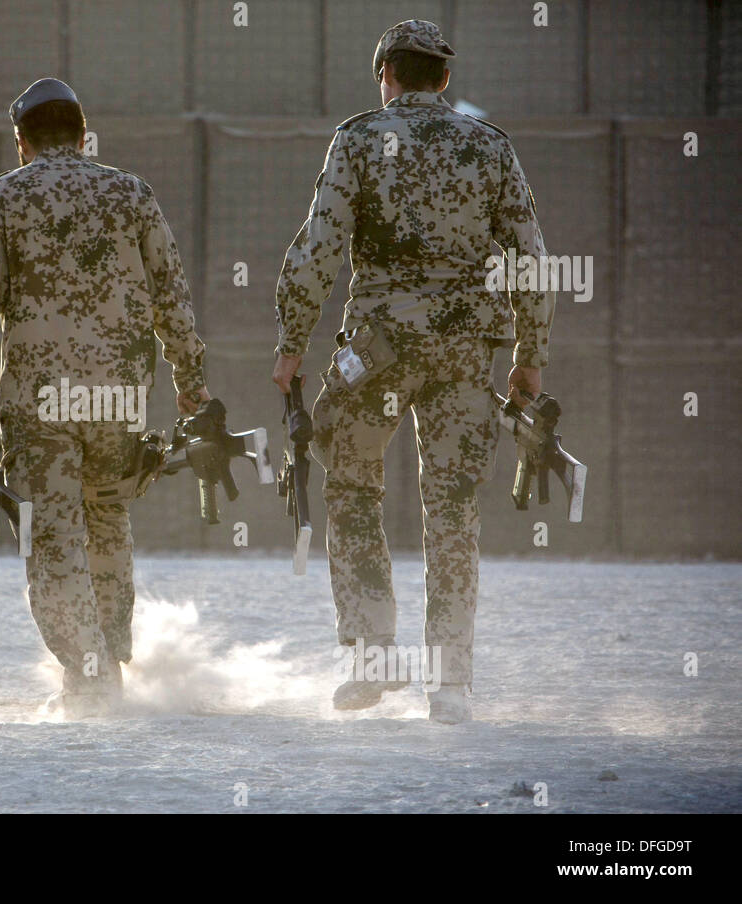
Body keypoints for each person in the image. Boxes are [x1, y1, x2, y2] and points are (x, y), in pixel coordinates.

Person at [270, 21, 554, 724]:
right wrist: (530, 356)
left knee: (353, 489)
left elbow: (318, 248)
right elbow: (531, 257)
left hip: (378, 351)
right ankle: (450, 683)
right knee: (454, 510)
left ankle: (372, 659)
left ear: (385, 76)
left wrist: (291, 343)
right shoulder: (489, 147)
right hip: (464, 355)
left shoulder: (360, 138)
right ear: (445, 79)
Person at [0, 78, 209, 718]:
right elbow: (173, 293)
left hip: (40, 401)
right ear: (84, 136)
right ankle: (109, 661)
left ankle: (89, 682)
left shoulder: (1, 196)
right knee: (108, 523)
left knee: (53, 537)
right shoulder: (131, 192)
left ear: (22, 142)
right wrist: (191, 382)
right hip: (119, 397)